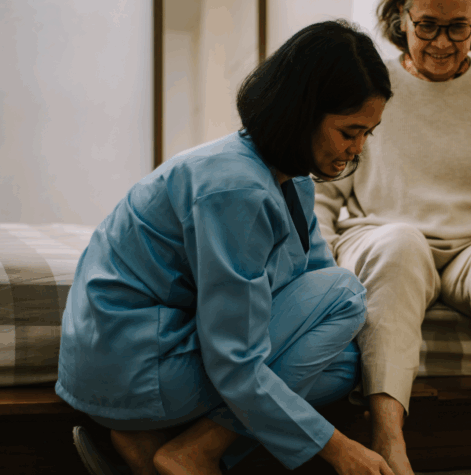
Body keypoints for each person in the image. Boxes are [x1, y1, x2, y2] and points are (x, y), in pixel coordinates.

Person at [56, 20, 396, 475]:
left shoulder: (291, 180)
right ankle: (189, 451)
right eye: (349, 132)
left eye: (367, 135)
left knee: (345, 362)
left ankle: (183, 448)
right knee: (347, 293)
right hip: (131, 364)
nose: (356, 151)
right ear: (303, 113)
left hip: (152, 354)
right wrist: (339, 449)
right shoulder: (235, 189)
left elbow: (307, 283)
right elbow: (236, 361)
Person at [313, 2, 471, 474]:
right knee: (401, 245)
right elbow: (325, 191)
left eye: (457, 28)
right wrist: (319, 265)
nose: (441, 42)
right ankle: (389, 439)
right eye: (427, 25)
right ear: (401, 18)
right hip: (383, 234)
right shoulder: (372, 87)